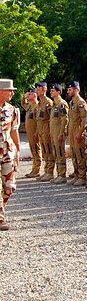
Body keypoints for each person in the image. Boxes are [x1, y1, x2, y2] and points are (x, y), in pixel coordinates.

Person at [0, 79, 20, 230]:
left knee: (10, 187)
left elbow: (14, 131)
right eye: (10, 90)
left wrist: (18, 150)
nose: (12, 93)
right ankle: (0, 219)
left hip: (8, 153)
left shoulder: (13, 110)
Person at [66, 82, 87, 186]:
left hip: (78, 131)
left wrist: (80, 133)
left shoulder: (80, 102)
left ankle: (82, 177)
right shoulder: (72, 102)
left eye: (70, 89)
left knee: (80, 154)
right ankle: (76, 175)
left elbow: (84, 119)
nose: (68, 91)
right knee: (74, 154)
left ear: (76, 90)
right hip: (72, 132)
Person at [49, 84, 69, 184]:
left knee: (60, 153)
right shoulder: (54, 105)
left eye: (53, 91)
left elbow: (65, 119)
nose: (51, 92)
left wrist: (62, 132)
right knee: (56, 153)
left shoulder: (62, 104)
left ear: (59, 92)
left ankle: (62, 175)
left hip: (59, 133)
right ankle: (58, 174)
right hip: (53, 133)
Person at [35, 82, 54, 181]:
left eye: (39, 89)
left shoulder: (48, 102)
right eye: (37, 89)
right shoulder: (39, 103)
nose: (37, 91)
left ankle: (50, 172)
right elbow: (38, 119)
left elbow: (51, 118)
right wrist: (37, 131)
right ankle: (46, 170)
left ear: (44, 89)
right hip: (41, 131)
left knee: (49, 150)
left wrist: (50, 131)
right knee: (44, 151)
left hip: (46, 130)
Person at [22, 87, 41, 178]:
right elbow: (23, 104)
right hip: (30, 132)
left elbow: (38, 121)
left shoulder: (37, 106)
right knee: (33, 150)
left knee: (36, 150)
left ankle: (37, 170)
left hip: (34, 132)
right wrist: (24, 97)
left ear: (34, 95)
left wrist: (37, 132)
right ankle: (34, 168)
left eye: (29, 94)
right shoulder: (30, 105)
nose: (28, 95)